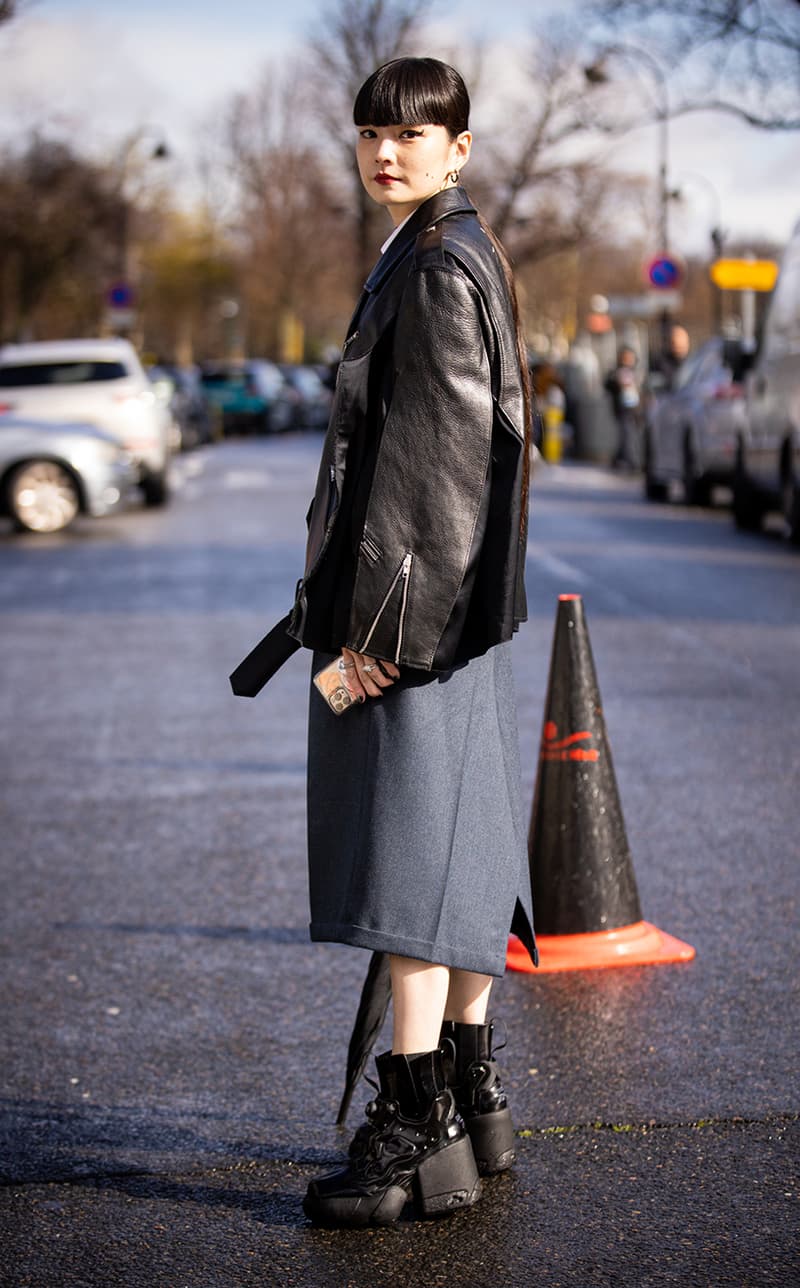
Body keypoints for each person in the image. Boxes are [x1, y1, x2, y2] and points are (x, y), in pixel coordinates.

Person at [283, 57, 537, 1228]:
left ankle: (407, 1133)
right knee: (464, 867)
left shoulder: (432, 268)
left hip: (415, 625)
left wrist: (378, 641)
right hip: (459, 621)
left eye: (413, 133)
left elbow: (433, 480)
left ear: (458, 149)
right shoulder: (454, 249)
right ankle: (467, 1103)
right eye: (371, 131)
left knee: (407, 885)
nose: (386, 150)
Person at [604, 344, 641, 470]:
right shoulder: (615, 372)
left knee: (628, 435)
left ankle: (618, 459)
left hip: (634, 409)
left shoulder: (635, 372)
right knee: (626, 434)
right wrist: (617, 383)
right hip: (622, 409)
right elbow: (607, 385)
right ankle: (631, 461)